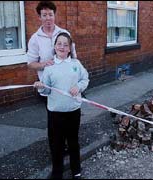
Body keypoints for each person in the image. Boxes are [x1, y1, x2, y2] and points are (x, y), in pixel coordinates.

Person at [34, 32, 89, 179]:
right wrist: (40, 86)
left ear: (70, 48)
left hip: (73, 111)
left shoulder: (76, 64)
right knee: (56, 144)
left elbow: (85, 79)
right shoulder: (50, 67)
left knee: (73, 142)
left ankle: (76, 170)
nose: (62, 47)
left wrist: (78, 87)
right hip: (55, 113)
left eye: (66, 44)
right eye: (59, 44)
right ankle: (57, 172)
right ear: (54, 46)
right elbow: (45, 90)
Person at [27, 1, 76, 157]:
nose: (48, 18)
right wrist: (43, 64)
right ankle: (56, 150)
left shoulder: (64, 33)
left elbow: (74, 58)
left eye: (50, 14)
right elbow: (31, 64)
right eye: (44, 15)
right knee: (54, 121)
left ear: (54, 15)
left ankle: (68, 145)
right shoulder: (35, 38)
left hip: (66, 85)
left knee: (69, 116)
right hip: (48, 87)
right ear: (40, 17)